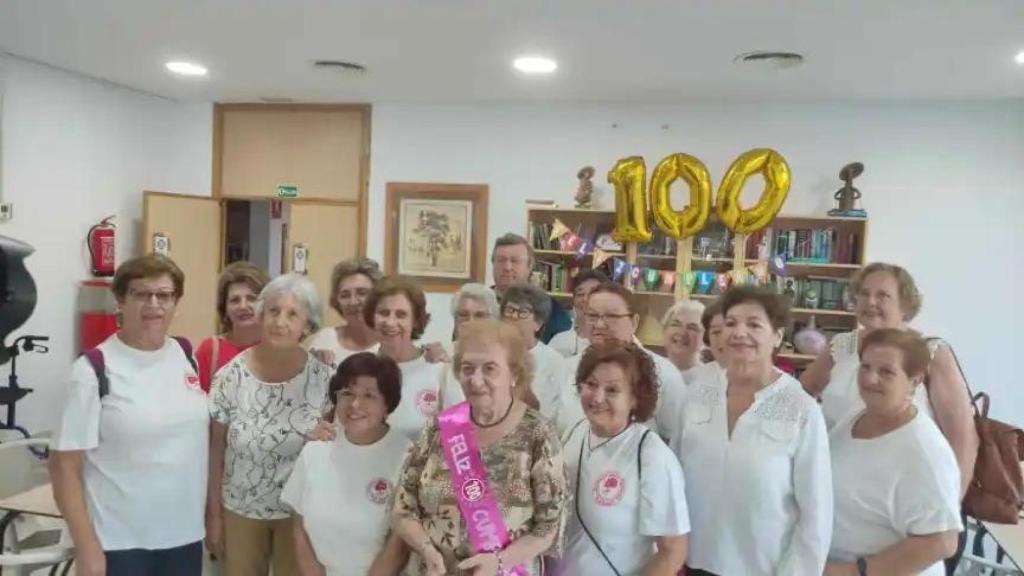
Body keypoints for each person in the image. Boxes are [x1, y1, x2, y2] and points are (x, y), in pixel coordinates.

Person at [50, 255, 208, 576]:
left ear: (175, 301)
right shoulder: (94, 369)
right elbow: (63, 464)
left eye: (164, 295)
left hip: (184, 536)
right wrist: (86, 546)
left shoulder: (184, 354)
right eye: (141, 294)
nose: (153, 304)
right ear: (121, 300)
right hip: (120, 542)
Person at [671, 286, 832, 575]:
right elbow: (673, 476)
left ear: (777, 336)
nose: (738, 332)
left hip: (765, 568)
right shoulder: (698, 392)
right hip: (692, 562)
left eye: (754, 324)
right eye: (731, 323)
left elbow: (816, 513)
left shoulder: (801, 408)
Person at [392, 319, 568, 575]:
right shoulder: (439, 428)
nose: (475, 379)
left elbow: (548, 527)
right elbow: (402, 508)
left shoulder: (537, 433)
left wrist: (500, 561)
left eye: (489, 369)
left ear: (514, 374)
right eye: (467, 368)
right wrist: (426, 550)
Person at [800, 262, 978, 496]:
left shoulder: (930, 352)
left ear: (905, 304)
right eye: (864, 293)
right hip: (836, 489)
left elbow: (964, 439)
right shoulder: (842, 346)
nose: (870, 302)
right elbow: (798, 395)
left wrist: (950, 510)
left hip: (905, 493)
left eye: (882, 295)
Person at [207, 273, 332, 576]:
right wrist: (213, 515)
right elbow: (215, 452)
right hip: (240, 511)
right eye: (273, 311)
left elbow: (334, 450)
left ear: (308, 325)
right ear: (261, 315)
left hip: (300, 515)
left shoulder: (324, 380)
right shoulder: (230, 377)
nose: (280, 322)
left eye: (293, 314)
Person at [826, 329, 962, 576]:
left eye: (886, 372)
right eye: (865, 367)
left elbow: (942, 541)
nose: (870, 378)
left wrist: (855, 572)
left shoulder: (924, 452)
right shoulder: (857, 416)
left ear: (915, 381)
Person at [556, 341, 689, 576]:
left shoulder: (651, 456)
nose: (597, 397)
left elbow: (673, 551)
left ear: (635, 398)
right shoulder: (573, 433)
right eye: (591, 384)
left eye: (612, 390)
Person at [281, 352, 413, 576]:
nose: (355, 404)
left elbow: (400, 543)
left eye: (369, 395)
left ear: (387, 404)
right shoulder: (316, 449)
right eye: (347, 394)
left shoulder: (407, 456)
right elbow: (299, 528)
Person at [552, 282, 686, 440]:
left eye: (611, 316)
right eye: (593, 316)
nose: (600, 324)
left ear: (634, 322)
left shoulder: (664, 373)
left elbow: (677, 439)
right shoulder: (567, 368)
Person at [363, 275, 448, 441]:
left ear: (416, 321)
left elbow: (460, 443)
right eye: (383, 313)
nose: (390, 322)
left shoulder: (440, 371)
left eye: (401, 315)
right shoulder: (359, 368)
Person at [195, 261, 270, 392]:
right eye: (235, 300)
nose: (243, 306)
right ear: (225, 309)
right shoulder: (210, 350)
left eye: (251, 298)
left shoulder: (279, 350)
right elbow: (198, 404)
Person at [500, 283, 567, 418]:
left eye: (523, 312)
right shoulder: (491, 352)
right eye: (510, 310)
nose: (514, 317)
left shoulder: (554, 361)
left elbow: (547, 413)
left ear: (538, 323)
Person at [491, 232, 571, 343]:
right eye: (501, 260)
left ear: (529, 267)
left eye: (515, 261)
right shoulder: (479, 303)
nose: (507, 267)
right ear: (493, 264)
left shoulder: (552, 310)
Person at [308, 257, 383, 367]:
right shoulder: (325, 340)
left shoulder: (390, 343)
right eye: (345, 295)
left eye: (362, 293)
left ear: (378, 296)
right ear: (337, 302)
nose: (353, 302)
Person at [549, 269, 608, 357]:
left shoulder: (616, 339)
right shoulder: (558, 341)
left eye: (592, 293)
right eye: (580, 294)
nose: (585, 299)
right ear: (573, 300)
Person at [660, 299, 706, 375]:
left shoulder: (713, 380)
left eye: (692, 328)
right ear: (664, 330)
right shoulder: (649, 372)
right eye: (675, 325)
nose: (682, 332)